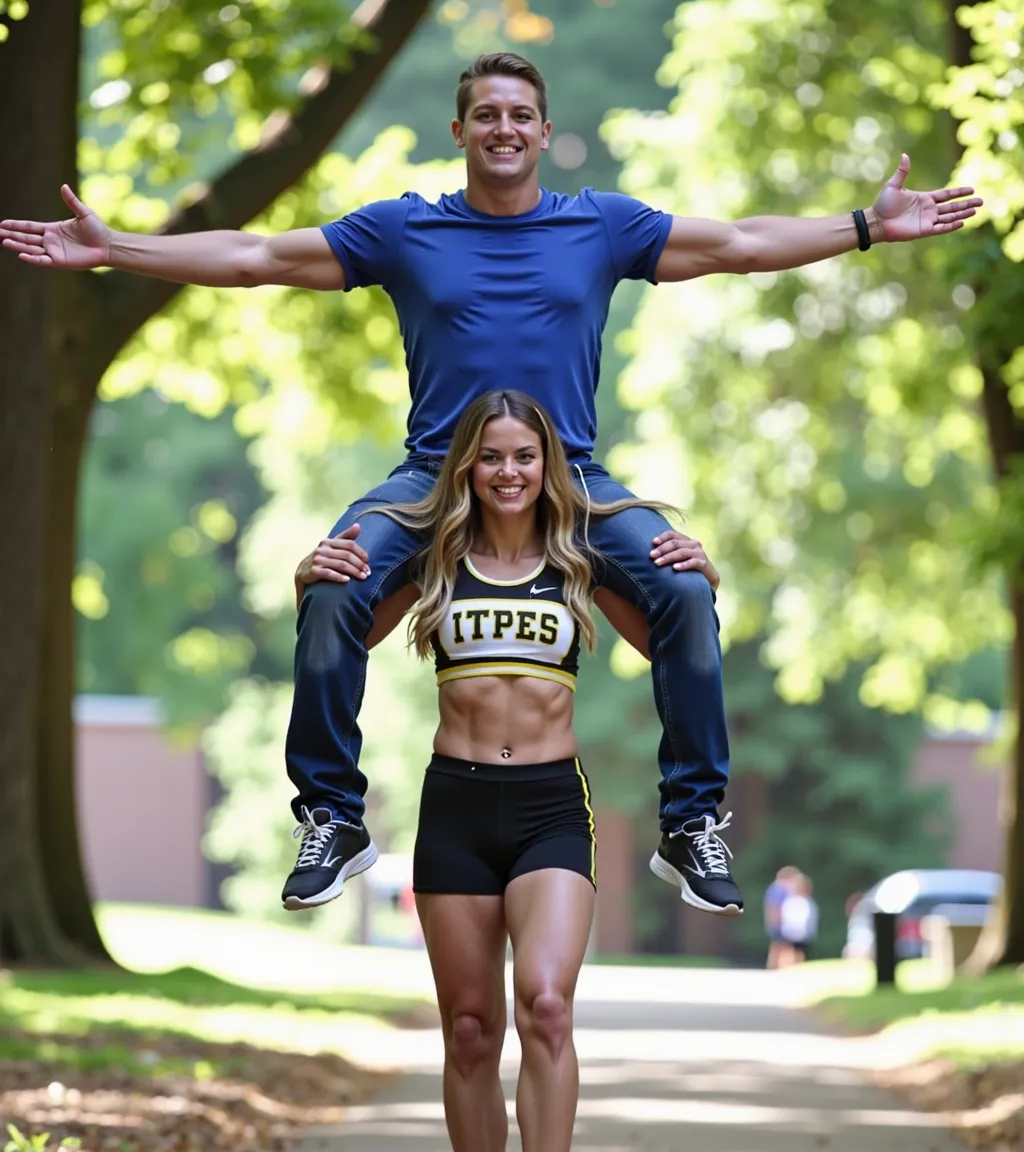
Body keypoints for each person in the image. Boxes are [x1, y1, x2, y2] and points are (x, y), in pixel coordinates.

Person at [1, 50, 983, 922]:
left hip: (575, 481)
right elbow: (259, 258)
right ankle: (331, 818)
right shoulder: (405, 231)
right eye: (487, 115)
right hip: (431, 481)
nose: (504, 128)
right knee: (333, 584)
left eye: (521, 114)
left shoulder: (600, 228)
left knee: (685, 589)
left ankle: (691, 823)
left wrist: (862, 225)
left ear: (545, 133)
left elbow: (735, 245)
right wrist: (116, 246)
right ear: (460, 131)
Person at [308, 387, 699, 1152]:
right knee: (472, 1029)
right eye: (492, 457)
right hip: (454, 806)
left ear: (546, 466)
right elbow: (342, 631)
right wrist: (314, 577)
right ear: (468, 470)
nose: (510, 471)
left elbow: (675, 632)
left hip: (551, 808)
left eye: (525, 456)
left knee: (548, 1007)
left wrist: (691, 572)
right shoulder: (437, 559)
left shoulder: (579, 562)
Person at [764, 864, 800, 970]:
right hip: (779, 923)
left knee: (779, 947)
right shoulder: (778, 889)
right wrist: (777, 921)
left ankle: (776, 968)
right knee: (782, 947)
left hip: (779, 923)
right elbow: (775, 907)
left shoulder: (777, 889)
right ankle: (780, 968)